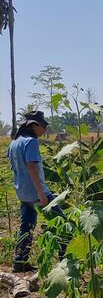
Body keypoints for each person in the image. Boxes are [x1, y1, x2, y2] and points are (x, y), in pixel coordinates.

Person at [8, 111, 65, 271]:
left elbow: (14, 167)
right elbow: (31, 166)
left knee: (26, 226)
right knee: (62, 222)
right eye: (43, 126)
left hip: (22, 192)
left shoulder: (14, 143)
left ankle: (20, 261)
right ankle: (65, 260)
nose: (45, 129)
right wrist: (41, 192)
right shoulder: (31, 141)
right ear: (33, 125)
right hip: (36, 192)